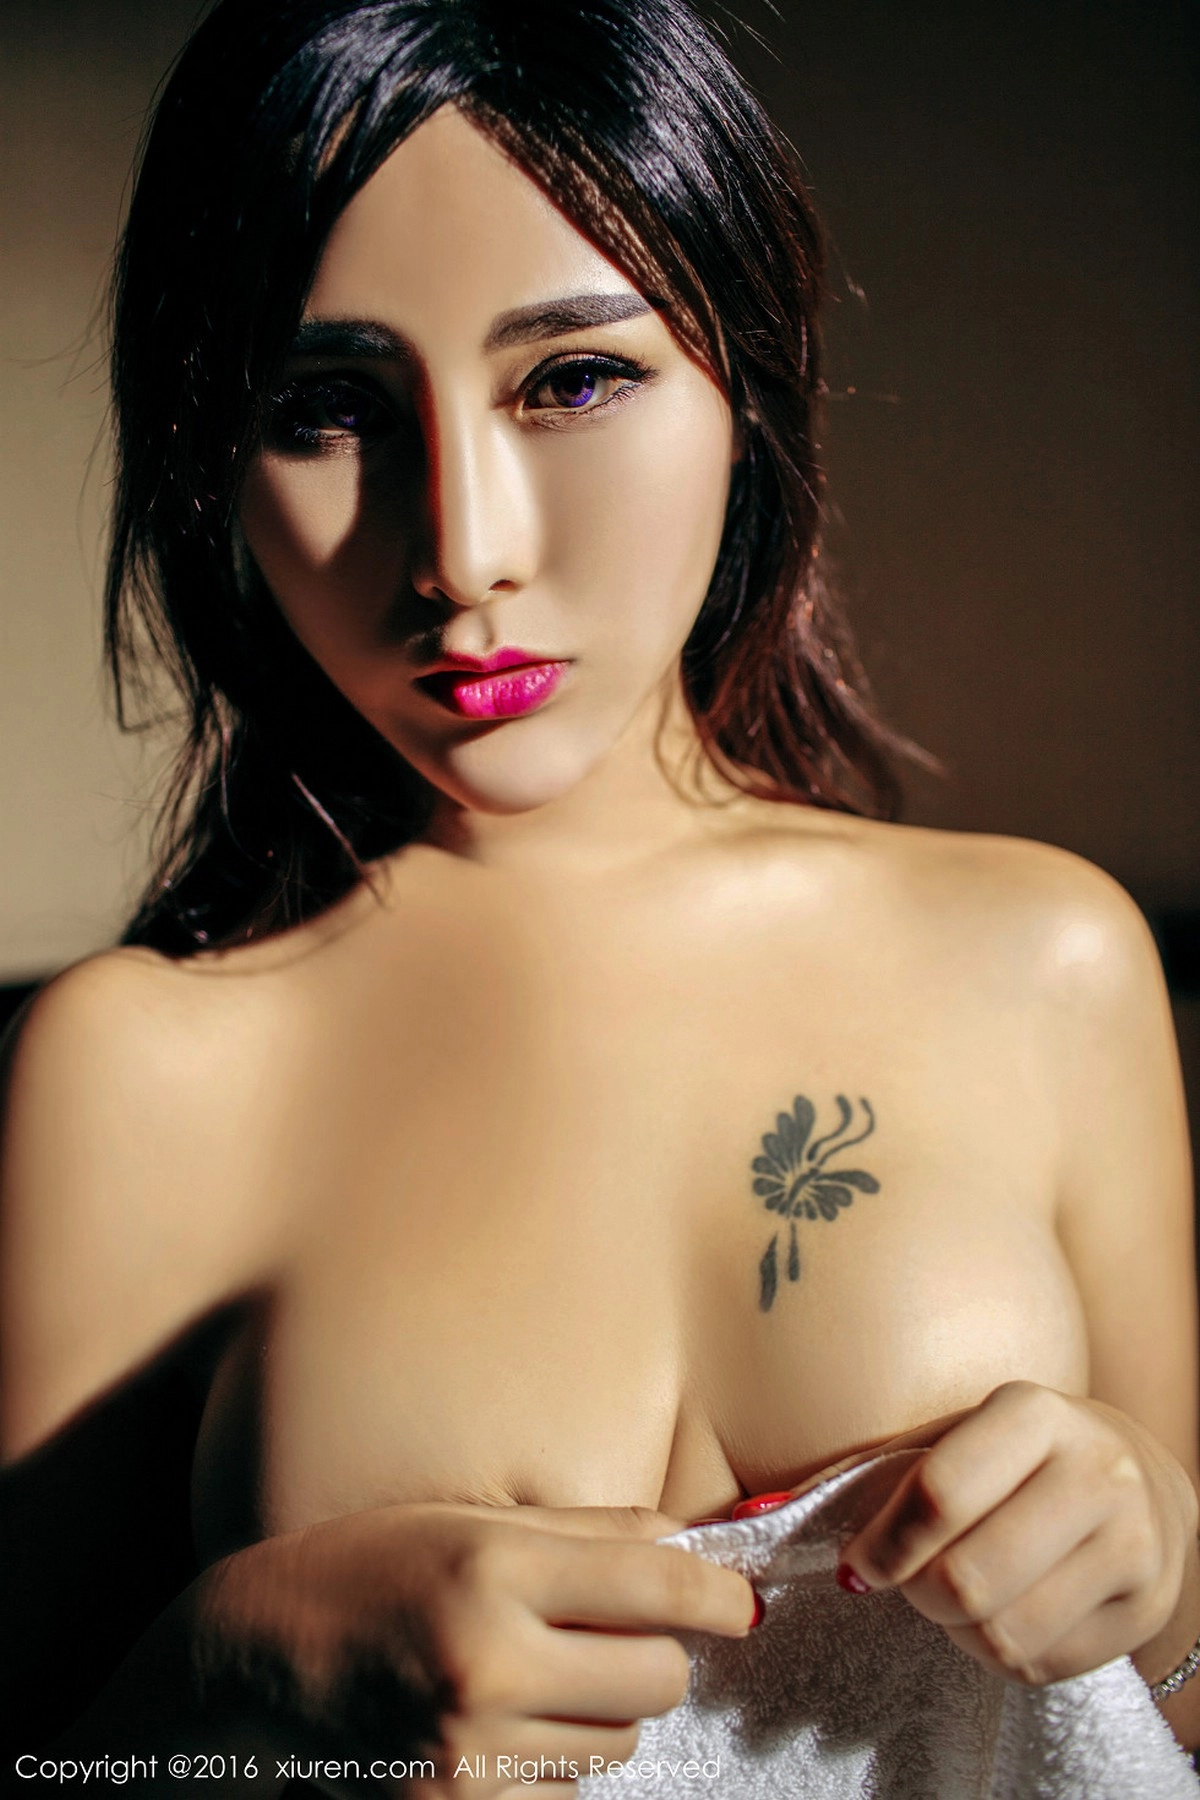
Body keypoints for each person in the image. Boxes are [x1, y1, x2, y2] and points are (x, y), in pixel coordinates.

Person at [2, 0, 1197, 1794]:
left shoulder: (1050, 959)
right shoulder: (134, 1072)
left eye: (570, 378)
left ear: (748, 381)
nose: (464, 549)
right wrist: (230, 1669)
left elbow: (1176, 1716)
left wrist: (1165, 1564)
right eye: (325, 409)